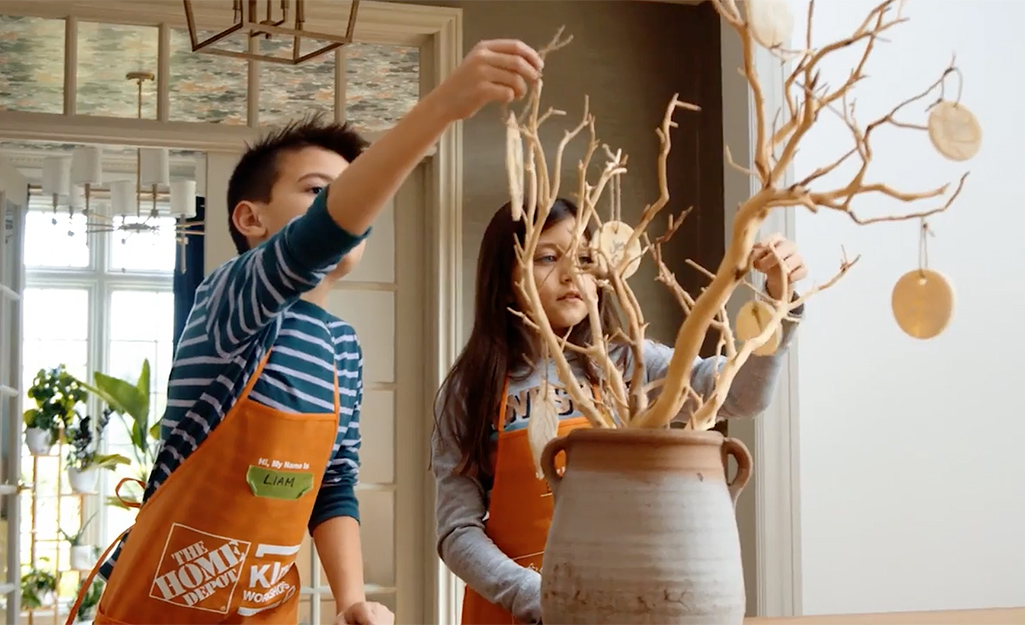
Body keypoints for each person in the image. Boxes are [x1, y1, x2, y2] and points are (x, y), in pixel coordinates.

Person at [67, 38, 547, 625]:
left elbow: (333, 486)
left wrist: (351, 600)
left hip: (264, 609)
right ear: (251, 218)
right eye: (321, 191)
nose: (355, 215)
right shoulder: (231, 301)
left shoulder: (341, 347)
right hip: (161, 608)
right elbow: (317, 238)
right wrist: (442, 106)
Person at [431, 198, 808, 625]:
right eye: (548, 257)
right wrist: (533, 594)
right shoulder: (469, 391)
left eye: (587, 258)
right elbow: (457, 530)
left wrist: (781, 302)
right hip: (511, 613)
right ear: (505, 276)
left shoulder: (630, 365)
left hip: (617, 606)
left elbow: (742, 394)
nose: (572, 273)